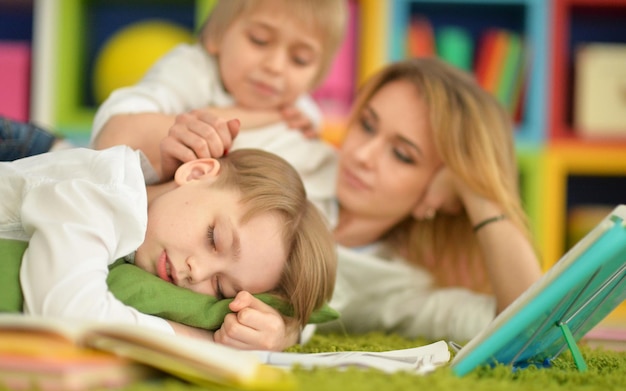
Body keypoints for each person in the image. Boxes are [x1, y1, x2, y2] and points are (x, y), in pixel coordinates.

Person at [156, 57, 543, 343]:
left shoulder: (397, 286)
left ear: (443, 193)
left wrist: (478, 192)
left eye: (402, 155)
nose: (362, 155)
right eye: (367, 125)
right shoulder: (288, 149)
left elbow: (528, 323)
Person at [0, 144, 336, 351]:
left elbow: (298, 313)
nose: (197, 272)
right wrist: (205, 343)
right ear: (197, 173)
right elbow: (66, 314)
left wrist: (282, 335)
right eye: (213, 239)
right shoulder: (104, 192)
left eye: (220, 288)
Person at [90, 0, 348, 182]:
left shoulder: (303, 113)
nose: (276, 67)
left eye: (300, 59)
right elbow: (112, 136)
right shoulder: (190, 69)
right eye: (259, 40)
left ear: (317, 77)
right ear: (217, 35)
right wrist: (259, 116)